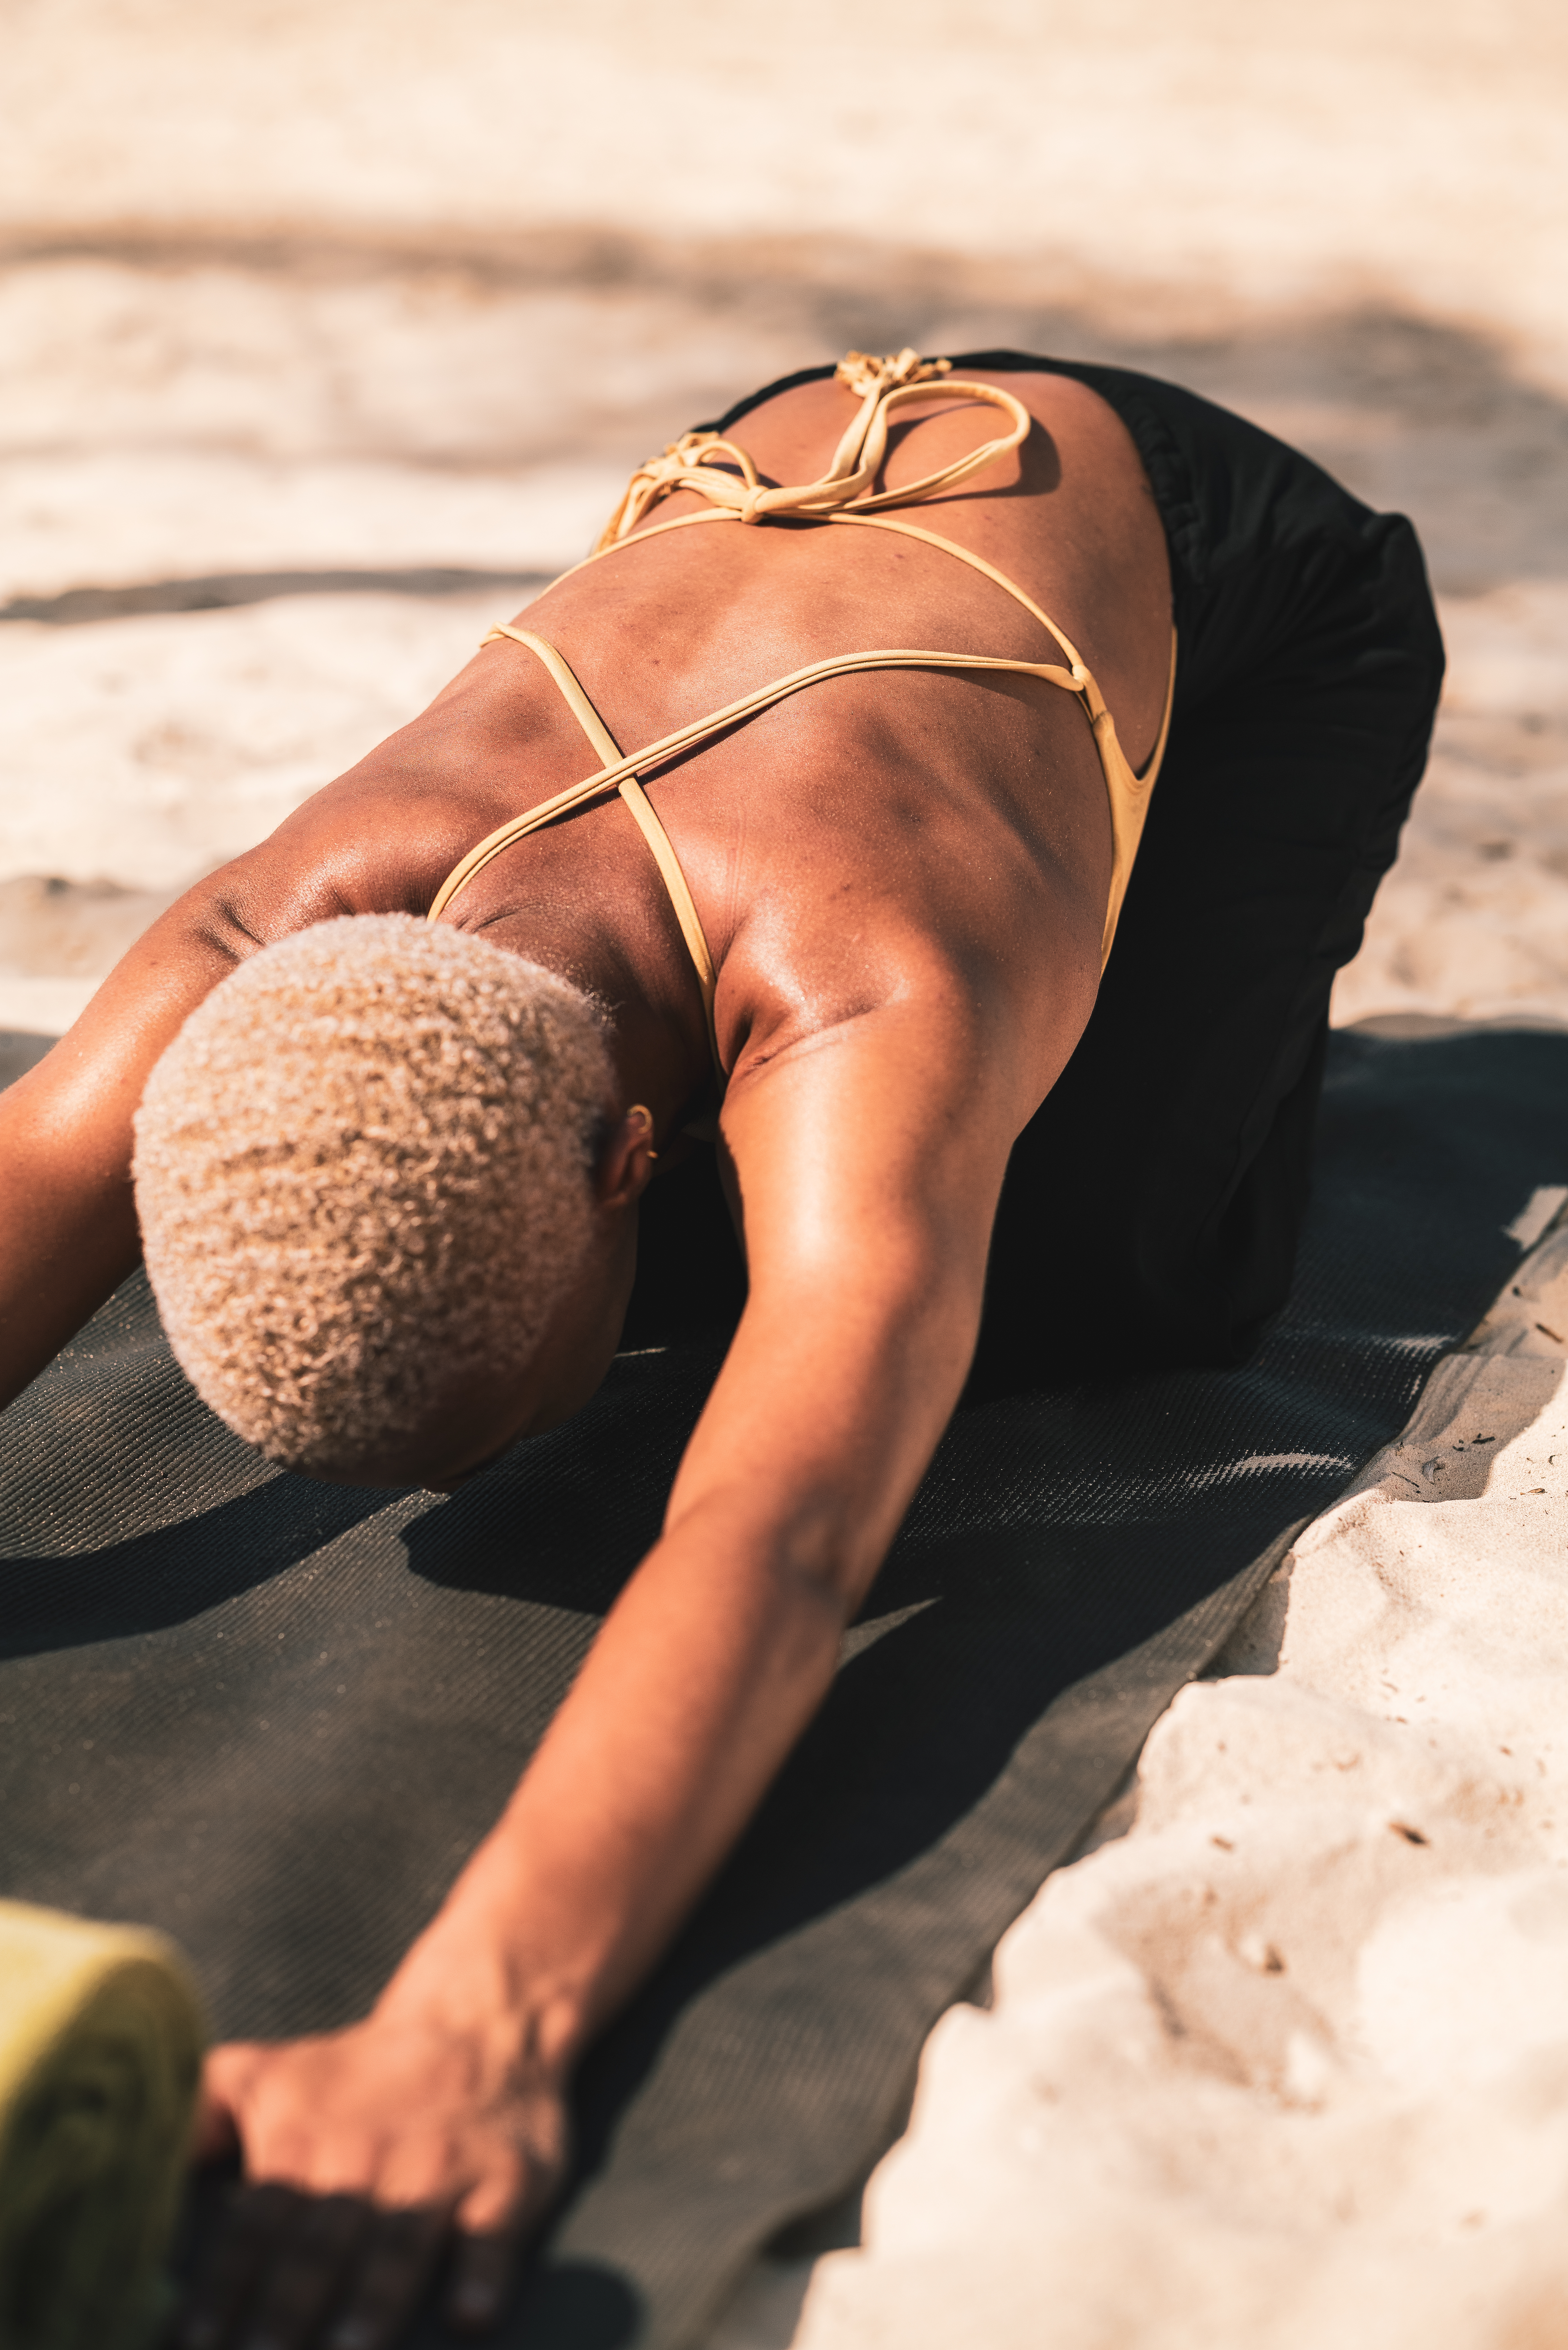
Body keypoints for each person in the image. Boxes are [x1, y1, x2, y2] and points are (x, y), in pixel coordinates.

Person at [0, 349, 1443, 2345]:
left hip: (1227, 563)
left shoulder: (875, 977)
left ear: (630, 1155)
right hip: (783, 459)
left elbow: (773, 1534)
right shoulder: (262, 926)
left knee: (1103, 1295)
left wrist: (467, 2035)